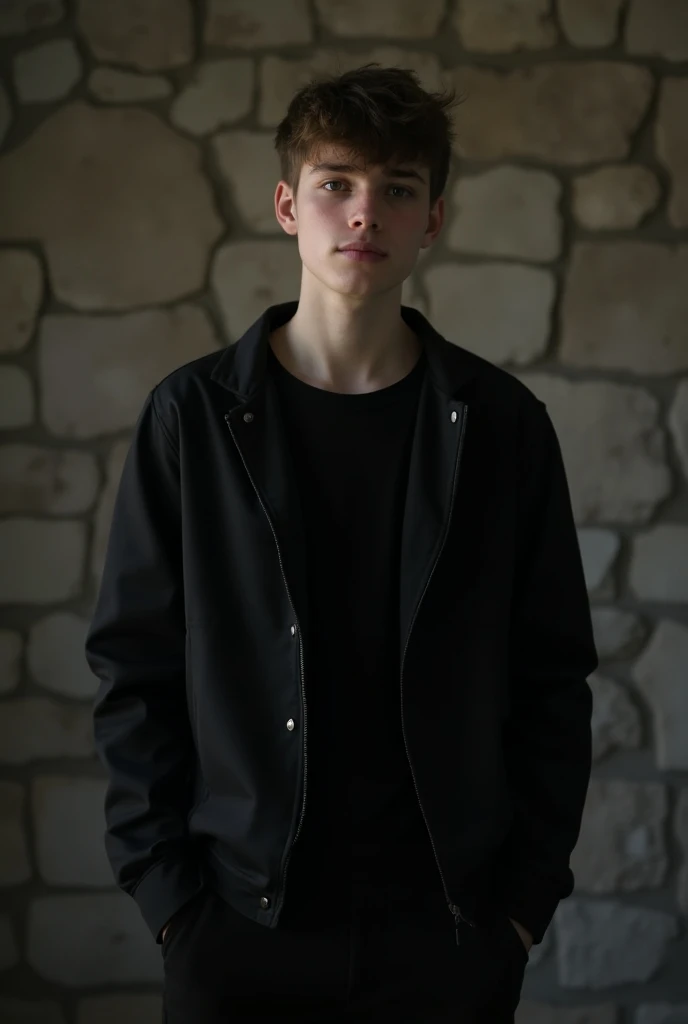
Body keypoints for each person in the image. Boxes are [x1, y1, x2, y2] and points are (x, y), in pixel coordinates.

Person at [85, 62, 598, 1022]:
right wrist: (171, 905)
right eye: (337, 185)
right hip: (239, 928)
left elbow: (553, 679)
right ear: (288, 205)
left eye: (397, 190)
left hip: (447, 932)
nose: (365, 214)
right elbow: (133, 669)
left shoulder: (504, 425)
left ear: (432, 219)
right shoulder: (191, 418)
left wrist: (521, 913)